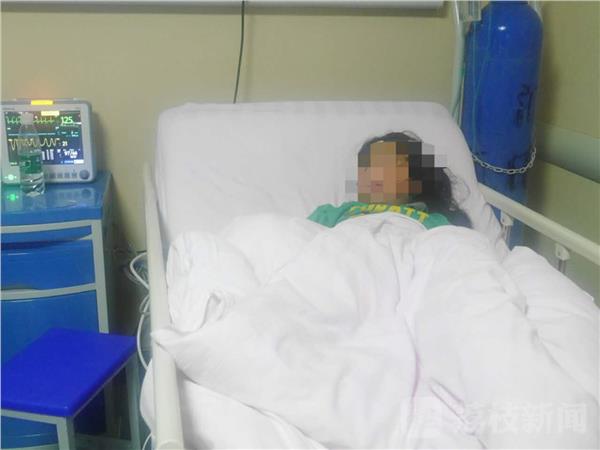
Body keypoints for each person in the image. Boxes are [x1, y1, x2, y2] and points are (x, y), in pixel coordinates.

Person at [308, 131, 472, 229]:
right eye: (365, 169)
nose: (370, 174)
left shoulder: (434, 221)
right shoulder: (340, 212)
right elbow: (301, 236)